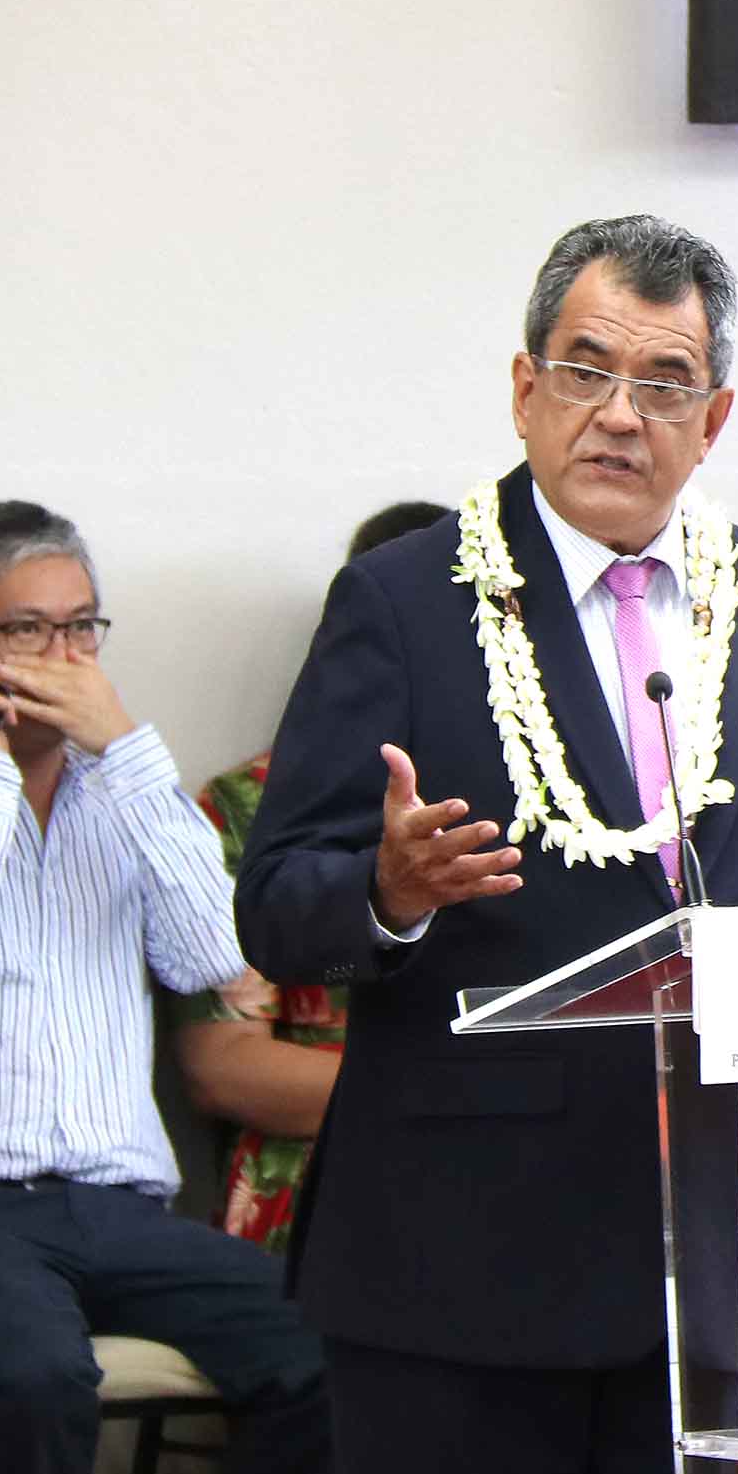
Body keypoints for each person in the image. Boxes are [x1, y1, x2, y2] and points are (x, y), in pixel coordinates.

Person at [232, 215, 738, 1474]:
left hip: (700, 1255)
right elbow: (274, 901)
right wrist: (390, 884)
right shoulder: (406, 601)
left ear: (712, 418)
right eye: (586, 368)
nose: (619, 414)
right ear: (523, 386)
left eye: (662, 384)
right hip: (457, 1261)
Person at [0, 501, 332, 1474]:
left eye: (82, 628)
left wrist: (123, 745)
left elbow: (219, 952)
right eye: (27, 630)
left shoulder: (122, 793)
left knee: (343, 1346)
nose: (63, 655)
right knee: (34, 1378)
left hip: (123, 1205)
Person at [179, 498, 448, 1253]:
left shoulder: (548, 796)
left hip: (532, 1160)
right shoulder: (243, 806)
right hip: (323, 1169)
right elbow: (223, 1067)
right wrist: (457, 1105)